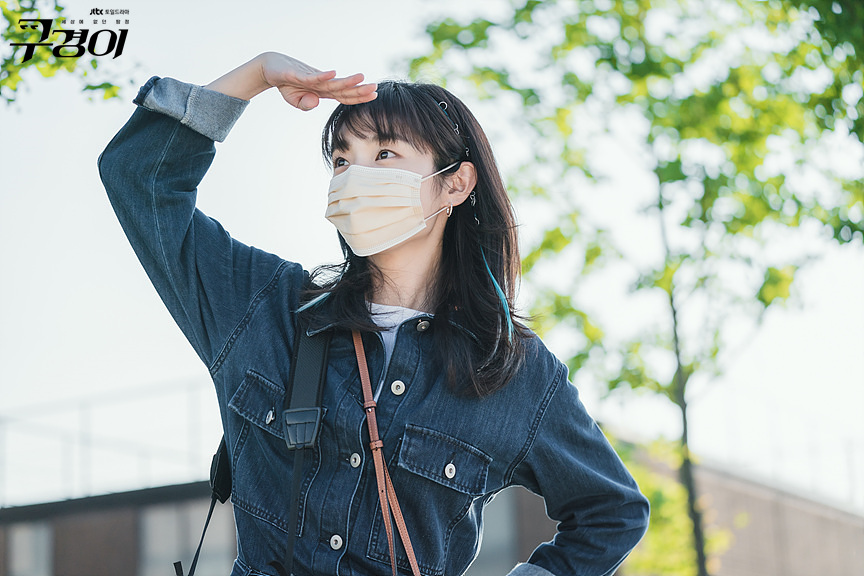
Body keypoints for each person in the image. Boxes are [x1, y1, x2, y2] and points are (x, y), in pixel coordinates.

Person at [98, 52, 649, 576]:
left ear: (455, 183)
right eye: (342, 160)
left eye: (384, 154)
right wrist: (259, 74)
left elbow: (612, 511)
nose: (354, 177)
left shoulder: (513, 370)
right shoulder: (262, 305)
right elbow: (138, 176)